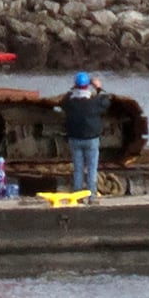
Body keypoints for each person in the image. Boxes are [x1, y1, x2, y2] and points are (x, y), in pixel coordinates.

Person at [63, 71, 112, 202]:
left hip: (75, 139)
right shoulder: (94, 103)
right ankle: (92, 196)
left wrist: (74, 88)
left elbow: (64, 99)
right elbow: (106, 101)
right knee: (92, 169)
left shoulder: (70, 103)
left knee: (78, 169)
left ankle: (78, 196)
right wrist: (98, 87)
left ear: (75, 85)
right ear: (87, 86)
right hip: (91, 139)